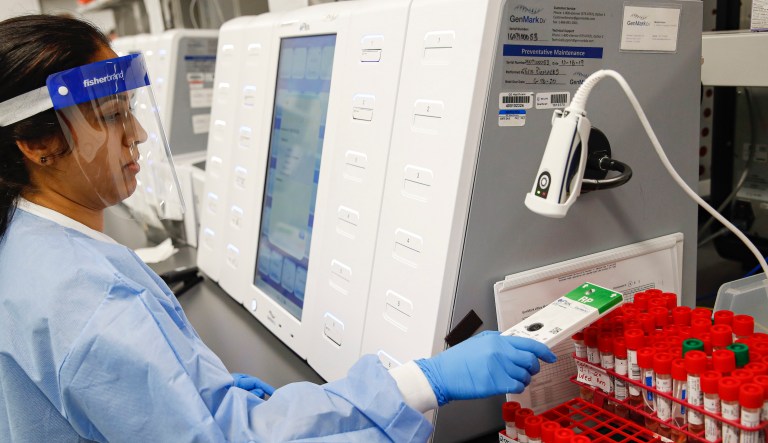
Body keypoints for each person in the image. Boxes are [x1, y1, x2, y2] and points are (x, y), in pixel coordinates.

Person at [0, 14, 556, 442]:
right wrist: (422, 382)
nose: (139, 134)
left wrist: (202, 390)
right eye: (115, 115)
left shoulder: (32, 244)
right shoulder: (87, 299)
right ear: (38, 143)